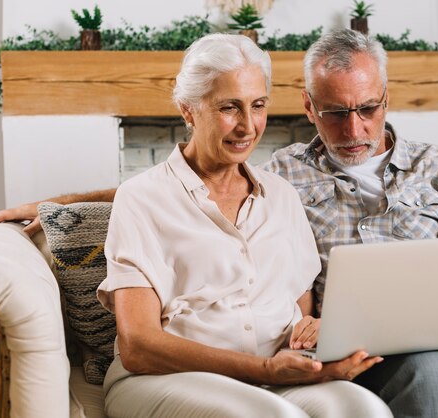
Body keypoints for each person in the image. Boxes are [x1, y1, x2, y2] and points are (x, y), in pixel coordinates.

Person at [0, 29, 438, 417]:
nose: (355, 129)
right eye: (336, 113)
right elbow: (186, 183)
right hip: (367, 351)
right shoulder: (286, 174)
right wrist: (55, 205)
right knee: (427, 371)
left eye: (368, 109)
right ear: (311, 107)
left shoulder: (433, 168)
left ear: (386, 99)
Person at [94, 33, 391, 418]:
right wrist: (264, 369)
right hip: (165, 377)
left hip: (275, 377)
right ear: (188, 110)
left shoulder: (282, 195)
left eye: (258, 105)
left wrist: (307, 335)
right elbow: (138, 345)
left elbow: (299, 306)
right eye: (229, 108)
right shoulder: (141, 198)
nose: (248, 126)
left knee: (363, 408)